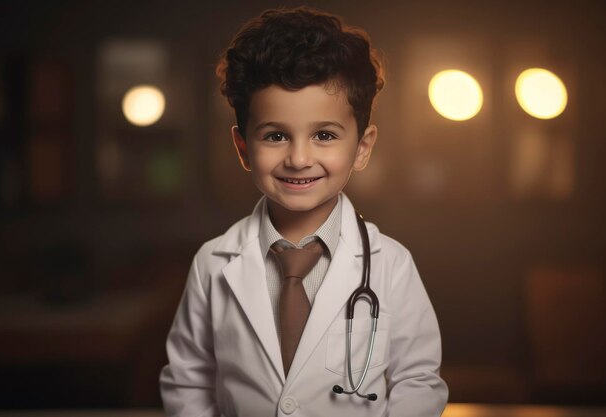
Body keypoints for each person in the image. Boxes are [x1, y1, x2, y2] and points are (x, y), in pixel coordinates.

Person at [160, 6, 448, 417]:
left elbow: (418, 381)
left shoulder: (391, 265)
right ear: (243, 148)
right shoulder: (212, 264)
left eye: (324, 135)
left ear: (362, 148)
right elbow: (188, 380)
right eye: (275, 135)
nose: (298, 158)